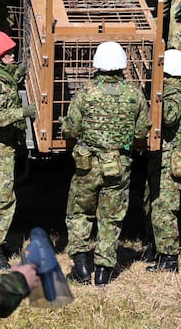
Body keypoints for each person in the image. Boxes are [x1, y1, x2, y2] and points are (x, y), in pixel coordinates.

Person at [60, 41, 151, 286]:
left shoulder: (85, 92)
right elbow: (142, 131)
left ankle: (80, 268)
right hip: (118, 165)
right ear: (121, 64)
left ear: (97, 64)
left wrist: (65, 125)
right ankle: (103, 273)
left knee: (80, 213)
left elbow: (72, 128)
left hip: (87, 165)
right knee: (110, 219)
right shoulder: (134, 94)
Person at [0, 31, 36, 270]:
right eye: (8, 53)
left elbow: (14, 74)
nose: (12, 55)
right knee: (2, 199)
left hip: (0, 147)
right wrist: (23, 112)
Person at [144, 49, 181, 274]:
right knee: (153, 205)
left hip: (169, 160)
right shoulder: (173, 90)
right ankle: (158, 250)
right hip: (162, 158)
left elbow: (169, 117)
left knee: (164, 210)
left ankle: (169, 259)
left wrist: (155, 101)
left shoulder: (175, 93)